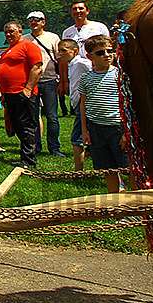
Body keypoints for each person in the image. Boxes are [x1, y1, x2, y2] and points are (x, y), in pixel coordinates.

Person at [79, 35, 127, 193]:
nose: (107, 55)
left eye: (110, 51)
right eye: (100, 53)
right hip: (96, 129)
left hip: (118, 128)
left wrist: (127, 132)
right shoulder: (86, 79)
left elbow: (128, 103)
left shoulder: (120, 75)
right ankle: (116, 202)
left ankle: (138, 204)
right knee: (107, 169)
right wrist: (85, 130)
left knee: (128, 168)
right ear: (89, 56)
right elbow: (83, 105)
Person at [0, 21, 43, 168]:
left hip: (23, 93)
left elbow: (37, 68)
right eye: (7, 32)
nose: (9, 34)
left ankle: (29, 160)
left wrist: (28, 89)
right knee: (17, 126)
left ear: (20, 31)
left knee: (27, 126)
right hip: (10, 95)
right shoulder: (8, 50)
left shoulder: (29, 46)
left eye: (12, 31)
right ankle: (25, 156)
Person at [24, 11, 64, 157]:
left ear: (43, 22)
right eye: (31, 20)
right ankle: (36, 147)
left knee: (52, 116)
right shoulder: (25, 39)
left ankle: (54, 148)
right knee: (33, 116)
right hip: (32, 81)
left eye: (37, 20)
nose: (34, 22)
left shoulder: (53, 37)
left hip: (50, 80)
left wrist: (62, 80)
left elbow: (59, 58)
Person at [57, 39, 92, 171]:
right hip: (77, 103)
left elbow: (93, 70)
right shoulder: (71, 64)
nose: (60, 53)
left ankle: (78, 171)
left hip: (85, 104)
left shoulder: (81, 63)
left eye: (64, 51)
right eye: (59, 50)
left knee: (76, 138)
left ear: (75, 51)